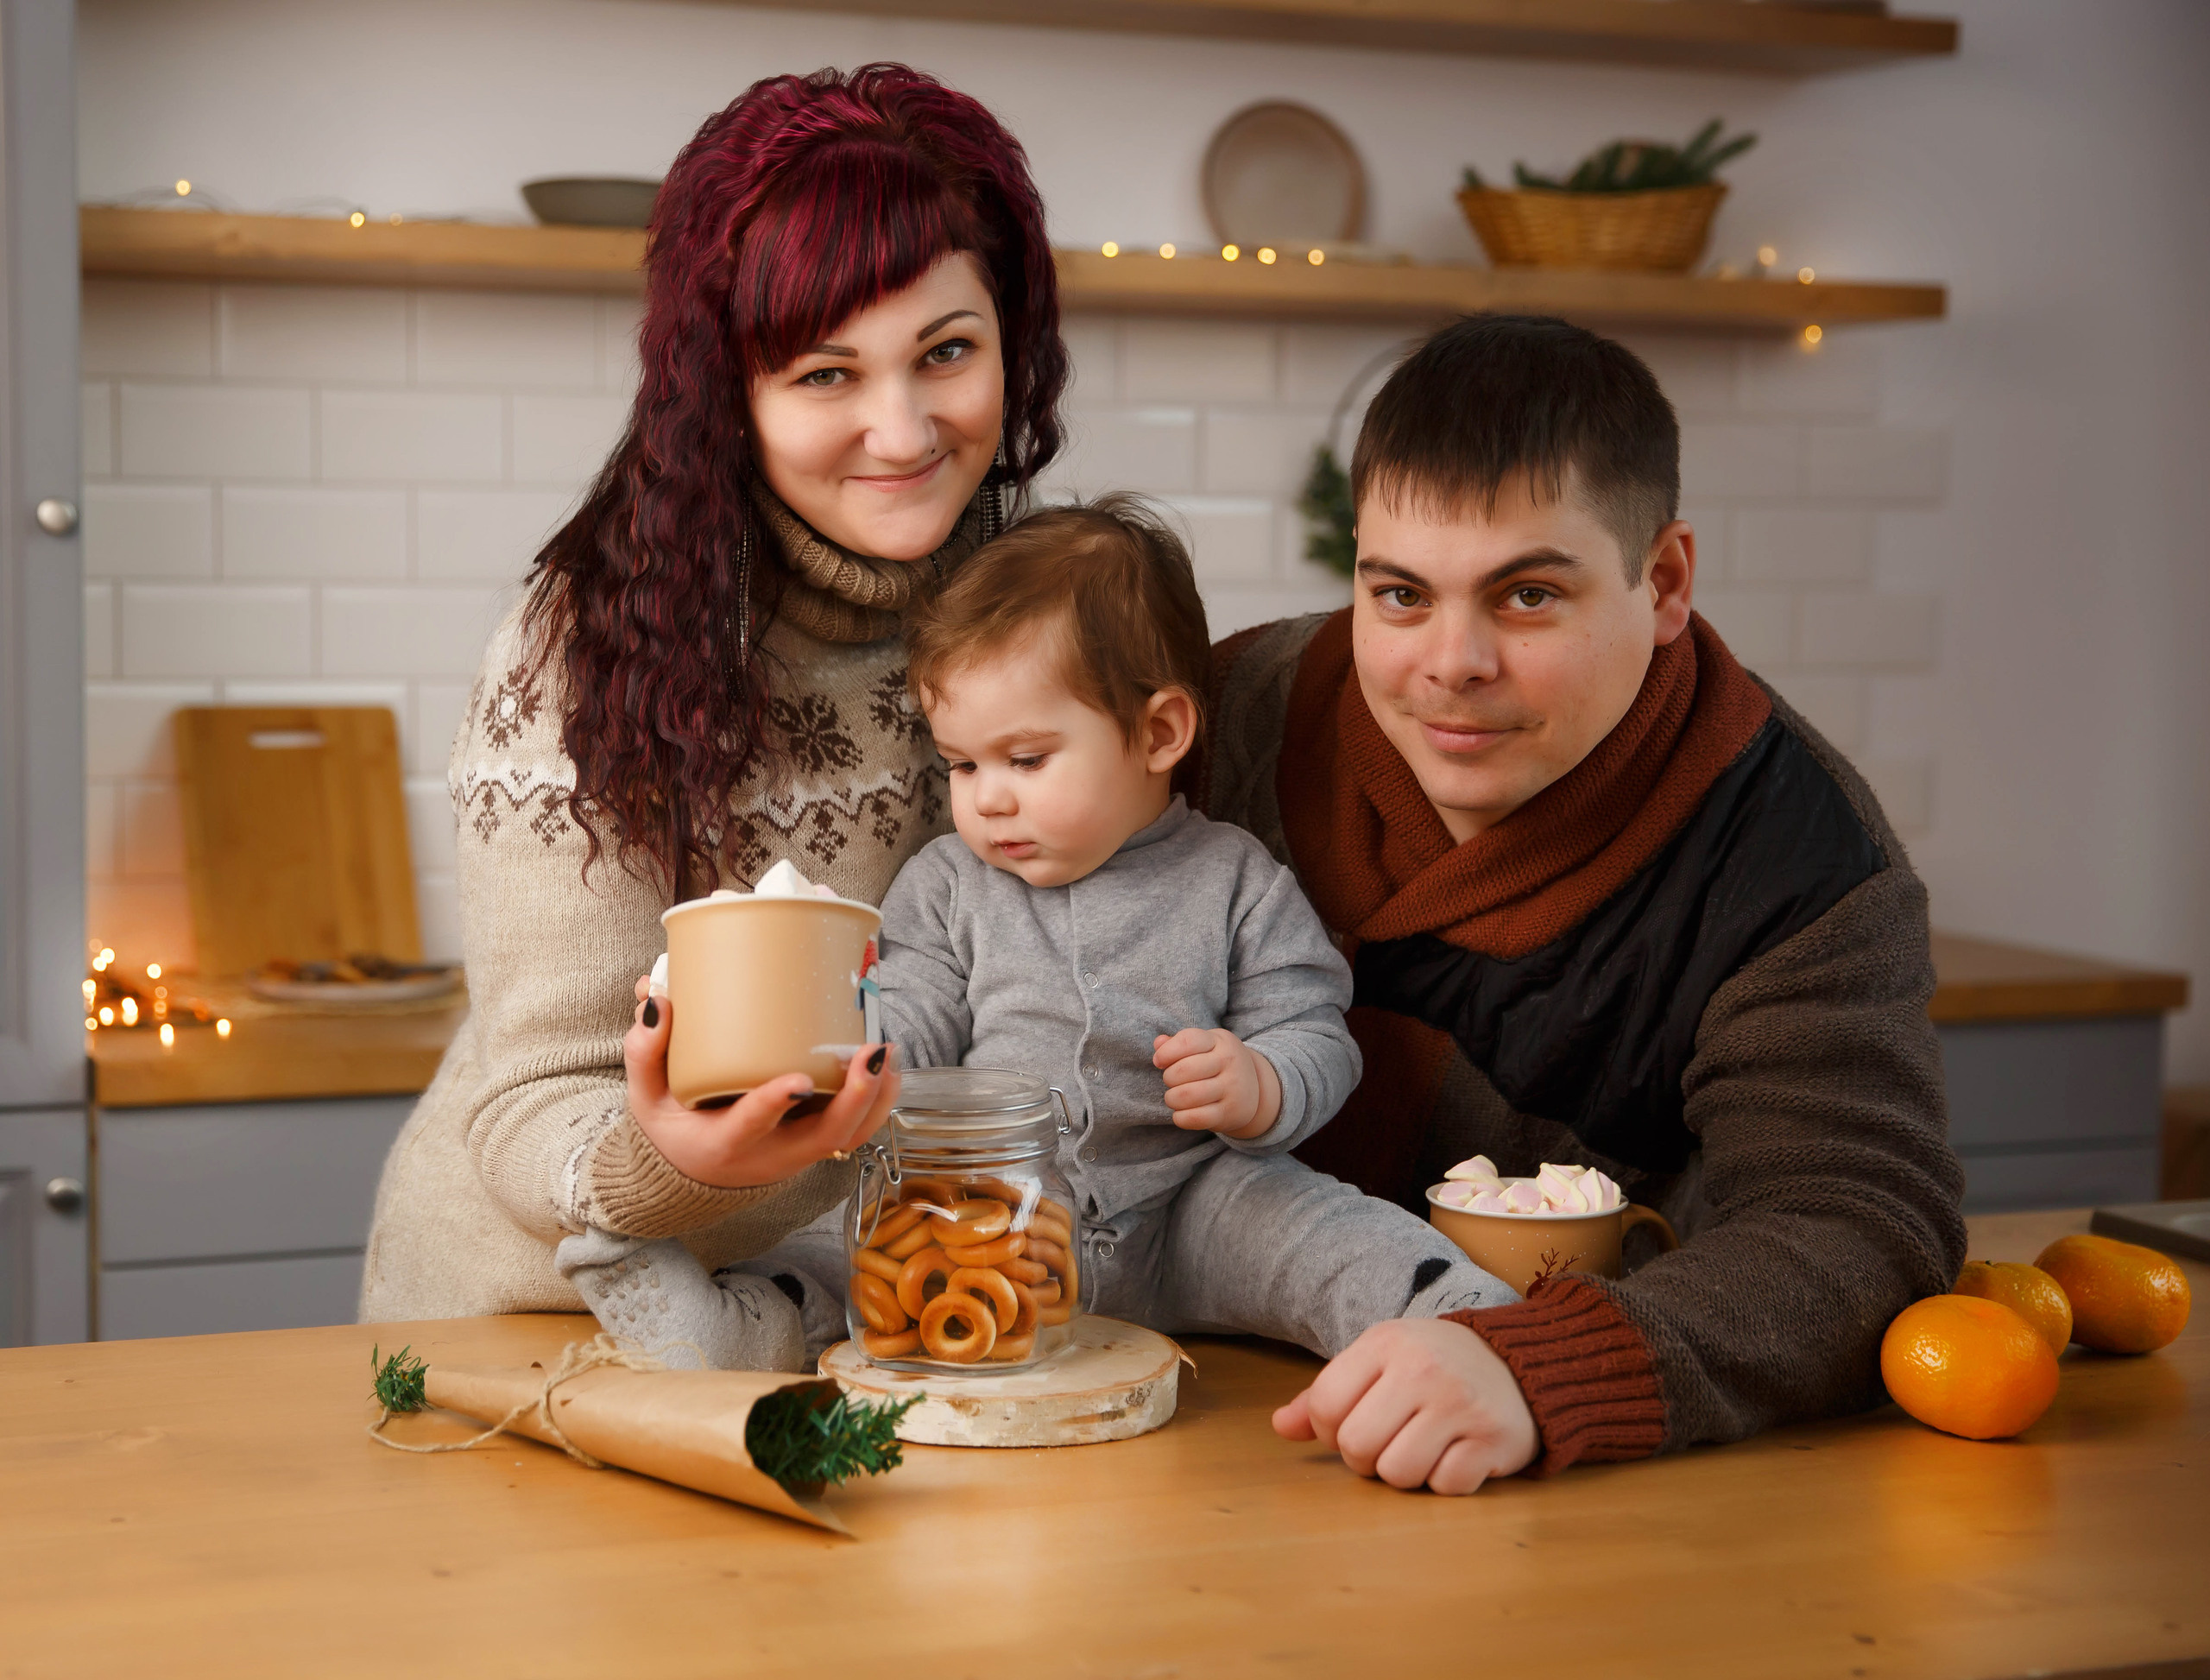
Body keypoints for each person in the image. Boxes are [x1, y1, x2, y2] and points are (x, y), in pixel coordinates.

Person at [358, 65, 1070, 1360]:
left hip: (871, 1320)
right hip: (539, 1325)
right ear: (725, 389)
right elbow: (529, 1106)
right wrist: (670, 1160)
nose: (901, 429)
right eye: (824, 374)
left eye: (947, 352)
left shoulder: (1035, 605)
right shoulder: (588, 636)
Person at [1192, 314, 1967, 1492]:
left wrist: (1542, 1366)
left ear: (1663, 582)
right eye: (1400, 594)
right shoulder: (1223, 717)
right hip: (1202, 1421)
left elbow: (1859, 1224)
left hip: (1581, 1491)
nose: (1452, 661)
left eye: (1527, 599)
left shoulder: (1802, 859)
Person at [870, 500, 1515, 1361]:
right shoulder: (949, 881)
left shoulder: (1233, 878)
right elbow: (911, 1013)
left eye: (1025, 758)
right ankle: (748, 1311)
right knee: (856, 1235)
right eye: (962, 762)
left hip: (1194, 1202)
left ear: (1159, 732)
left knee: (1323, 1227)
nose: (987, 796)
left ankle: (1463, 1321)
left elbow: (1315, 1031)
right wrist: (856, 1054)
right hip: (995, 1215)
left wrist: (1261, 1084)